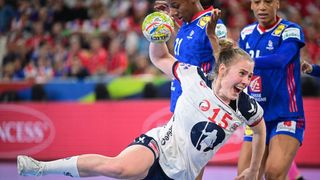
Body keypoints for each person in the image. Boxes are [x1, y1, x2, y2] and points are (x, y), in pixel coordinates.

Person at [17, 9, 266, 180]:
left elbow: (259, 130)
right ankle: (40, 168)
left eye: (249, 75)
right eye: (242, 74)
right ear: (222, 70)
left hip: (182, 175)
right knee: (119, 168)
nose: (246, 81)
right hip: (159, 146)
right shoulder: (194, 78)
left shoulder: (246, 107)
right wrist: (157, 36)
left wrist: (254, 170)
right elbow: (159, 57)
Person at [237, 0, 306, 180]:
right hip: (256, 116)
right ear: (251, 5)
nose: (262, 7)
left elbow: (281, 59)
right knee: (245, 177)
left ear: (277, 3)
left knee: (274, 173)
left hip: (286, 115)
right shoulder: (246, 33)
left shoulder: (291, 30)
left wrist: (244, 63)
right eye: (257, 2)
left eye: (267, 1)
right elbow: (237, 73)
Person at [155, 0, 227, 113]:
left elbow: (227, 65)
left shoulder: (213, 24)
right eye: (170, 7)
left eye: (175, 6)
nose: (172, 12)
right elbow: (191, 46)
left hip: (200, 108)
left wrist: (213, 37)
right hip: (180, 103)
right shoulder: (188, 23)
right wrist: (170, 23)